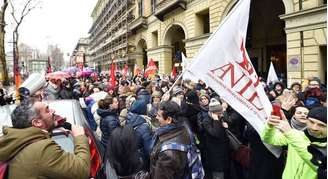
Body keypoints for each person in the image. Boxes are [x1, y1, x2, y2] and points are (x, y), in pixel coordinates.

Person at [0, 100, 90, 179]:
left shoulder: (15, 141)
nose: (53, 111)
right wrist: (79, 137)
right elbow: (82, 170)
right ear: (37, 122)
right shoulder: (42, 149)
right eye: (47, 110)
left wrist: (53, 126)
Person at [261, 106, 327, 179]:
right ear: (306, 120)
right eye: (311, 122)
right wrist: (270, 127)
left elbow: (318, 165)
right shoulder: (296, 134)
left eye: (321, 125)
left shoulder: (292, 135)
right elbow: (269, 139)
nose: (314, 128)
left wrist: (290, 133)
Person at [149, 101, 192, 178]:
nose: (156, 117)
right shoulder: (183, 127)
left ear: (169, 119)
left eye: (159, 116)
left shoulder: (168, 152)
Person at [197, 98, 230, 179]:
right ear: (213, 113)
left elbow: (228, 122)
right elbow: (215, 133)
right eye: (219, 113)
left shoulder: (220, 117)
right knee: (218, 175)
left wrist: (224, 125)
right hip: (215, 155)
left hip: (223, 152)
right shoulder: (206, 121)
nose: (221, 114)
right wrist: (216, 120)